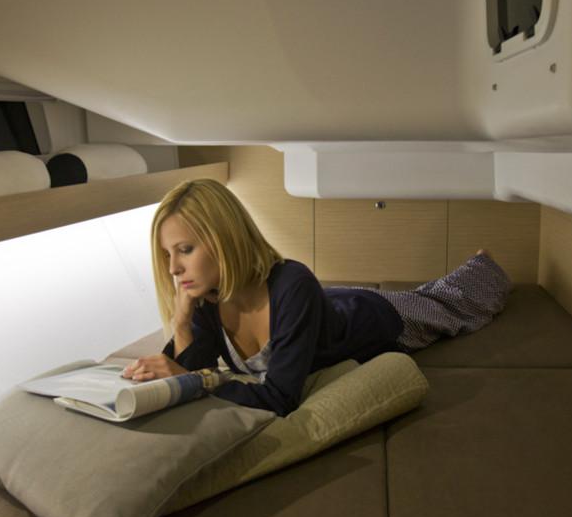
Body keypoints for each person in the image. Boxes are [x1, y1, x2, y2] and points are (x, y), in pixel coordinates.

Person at [123, 178, 511, 416]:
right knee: (426, 295)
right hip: (322, 306)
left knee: (451, 305)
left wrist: (195, 380)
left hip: (375, 318)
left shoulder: (292, 282)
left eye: (185, 250)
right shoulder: (205, 298)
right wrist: (180, 325)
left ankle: (482, 263)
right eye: (167, 254)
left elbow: (279, 399)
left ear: (224, 239)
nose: (173, 268)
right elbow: (197, 372)